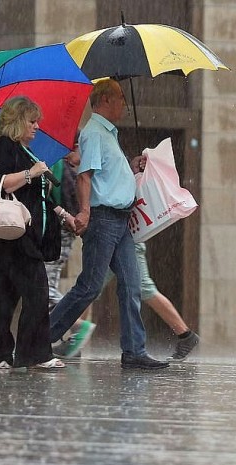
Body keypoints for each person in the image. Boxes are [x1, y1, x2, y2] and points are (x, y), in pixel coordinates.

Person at [48, 79, 168, 370]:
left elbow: (108, 173)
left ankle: (134, 351)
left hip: (121, 221)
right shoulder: (93, 133)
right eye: (120, 98)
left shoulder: (108, 134)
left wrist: (132, 164)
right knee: (89, 287)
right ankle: (39, 338)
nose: (124, 105)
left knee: (131, 284)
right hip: (102, 220)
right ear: (104, 101)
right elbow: (85, 176)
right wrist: (86, 211)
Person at [0, 96, 66, 370]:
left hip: (22, 235)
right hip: (13, 237)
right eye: (32, 121)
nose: (37, 126)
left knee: (4, 294)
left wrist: (62, 213)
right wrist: (31, 173)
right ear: (17, 121)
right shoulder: (3, 148)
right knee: (36, 291)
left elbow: (36, 196)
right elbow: (0, 184)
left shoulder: (25, 152)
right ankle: (34, 354)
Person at [45, 143, 95, 358]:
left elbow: (57, 204)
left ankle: (77, 325)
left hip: (56, 236)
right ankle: (69, 335)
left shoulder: (62, 169)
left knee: (44, 287)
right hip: (60, 235)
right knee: (46, 283)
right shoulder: (67, 170)